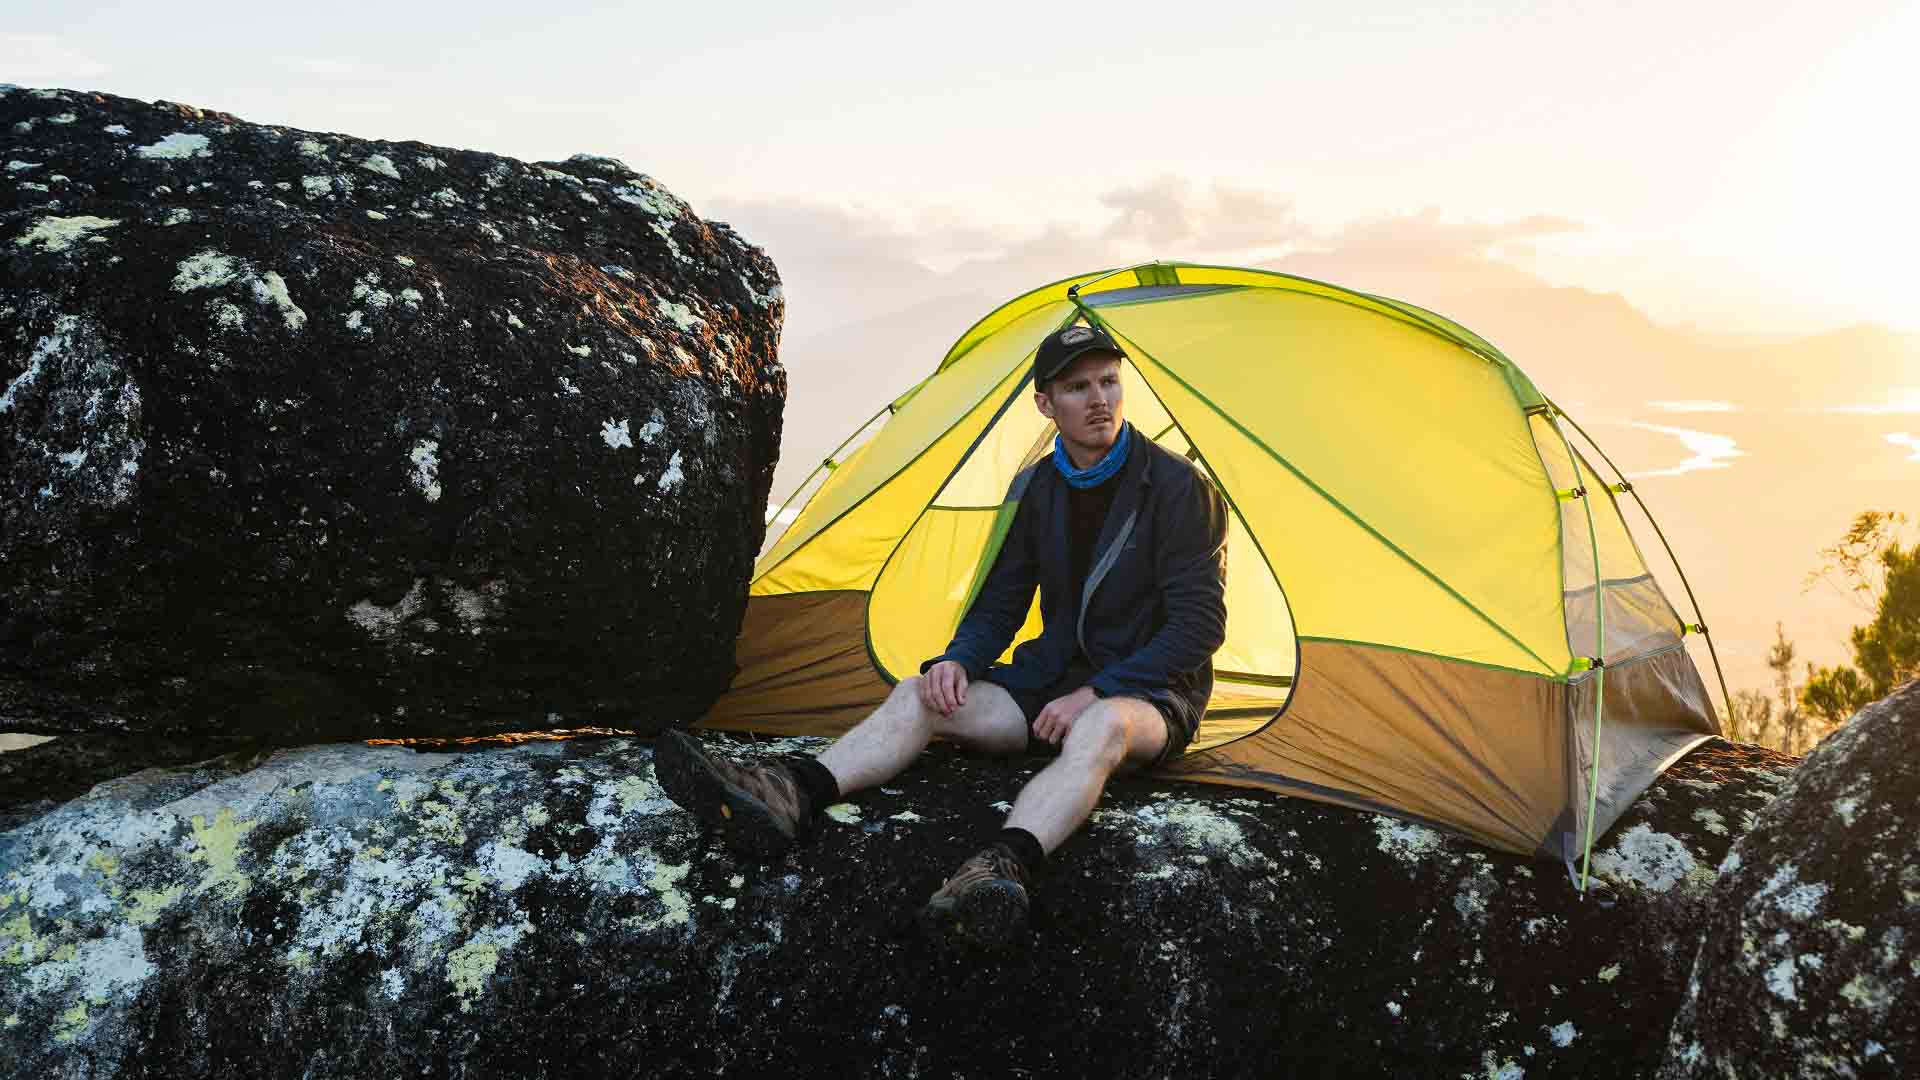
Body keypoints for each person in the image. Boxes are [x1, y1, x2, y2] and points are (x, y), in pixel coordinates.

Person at [654, 322, 1229, 945]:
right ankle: (792, 791)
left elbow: (1200, 626)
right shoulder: (1038, 486)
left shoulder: (1176, 486)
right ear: (1045, 403)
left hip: (1149, 693)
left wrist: (1098, 692)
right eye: (1078, 387)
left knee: (1101, 728)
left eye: (1110, 382)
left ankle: (998, 867)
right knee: (919, 692)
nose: (1100, 400)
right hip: (1052, 678)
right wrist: (956, 662)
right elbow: (1000, 603)